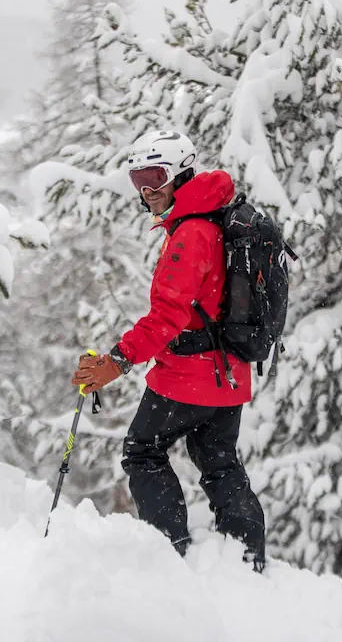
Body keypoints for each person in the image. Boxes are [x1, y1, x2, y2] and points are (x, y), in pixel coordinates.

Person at [71, 129, 267, 572]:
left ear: (180, 174)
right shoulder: (215, 218)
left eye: (155, 176)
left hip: (189, 374)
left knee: (143, 450)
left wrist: (116, 362)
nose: (147, 190)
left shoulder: (192, 232)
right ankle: (248, 559)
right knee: (219, 464)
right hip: (229, 374)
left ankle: (168, 553)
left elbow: (168, 316)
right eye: (137, 178)